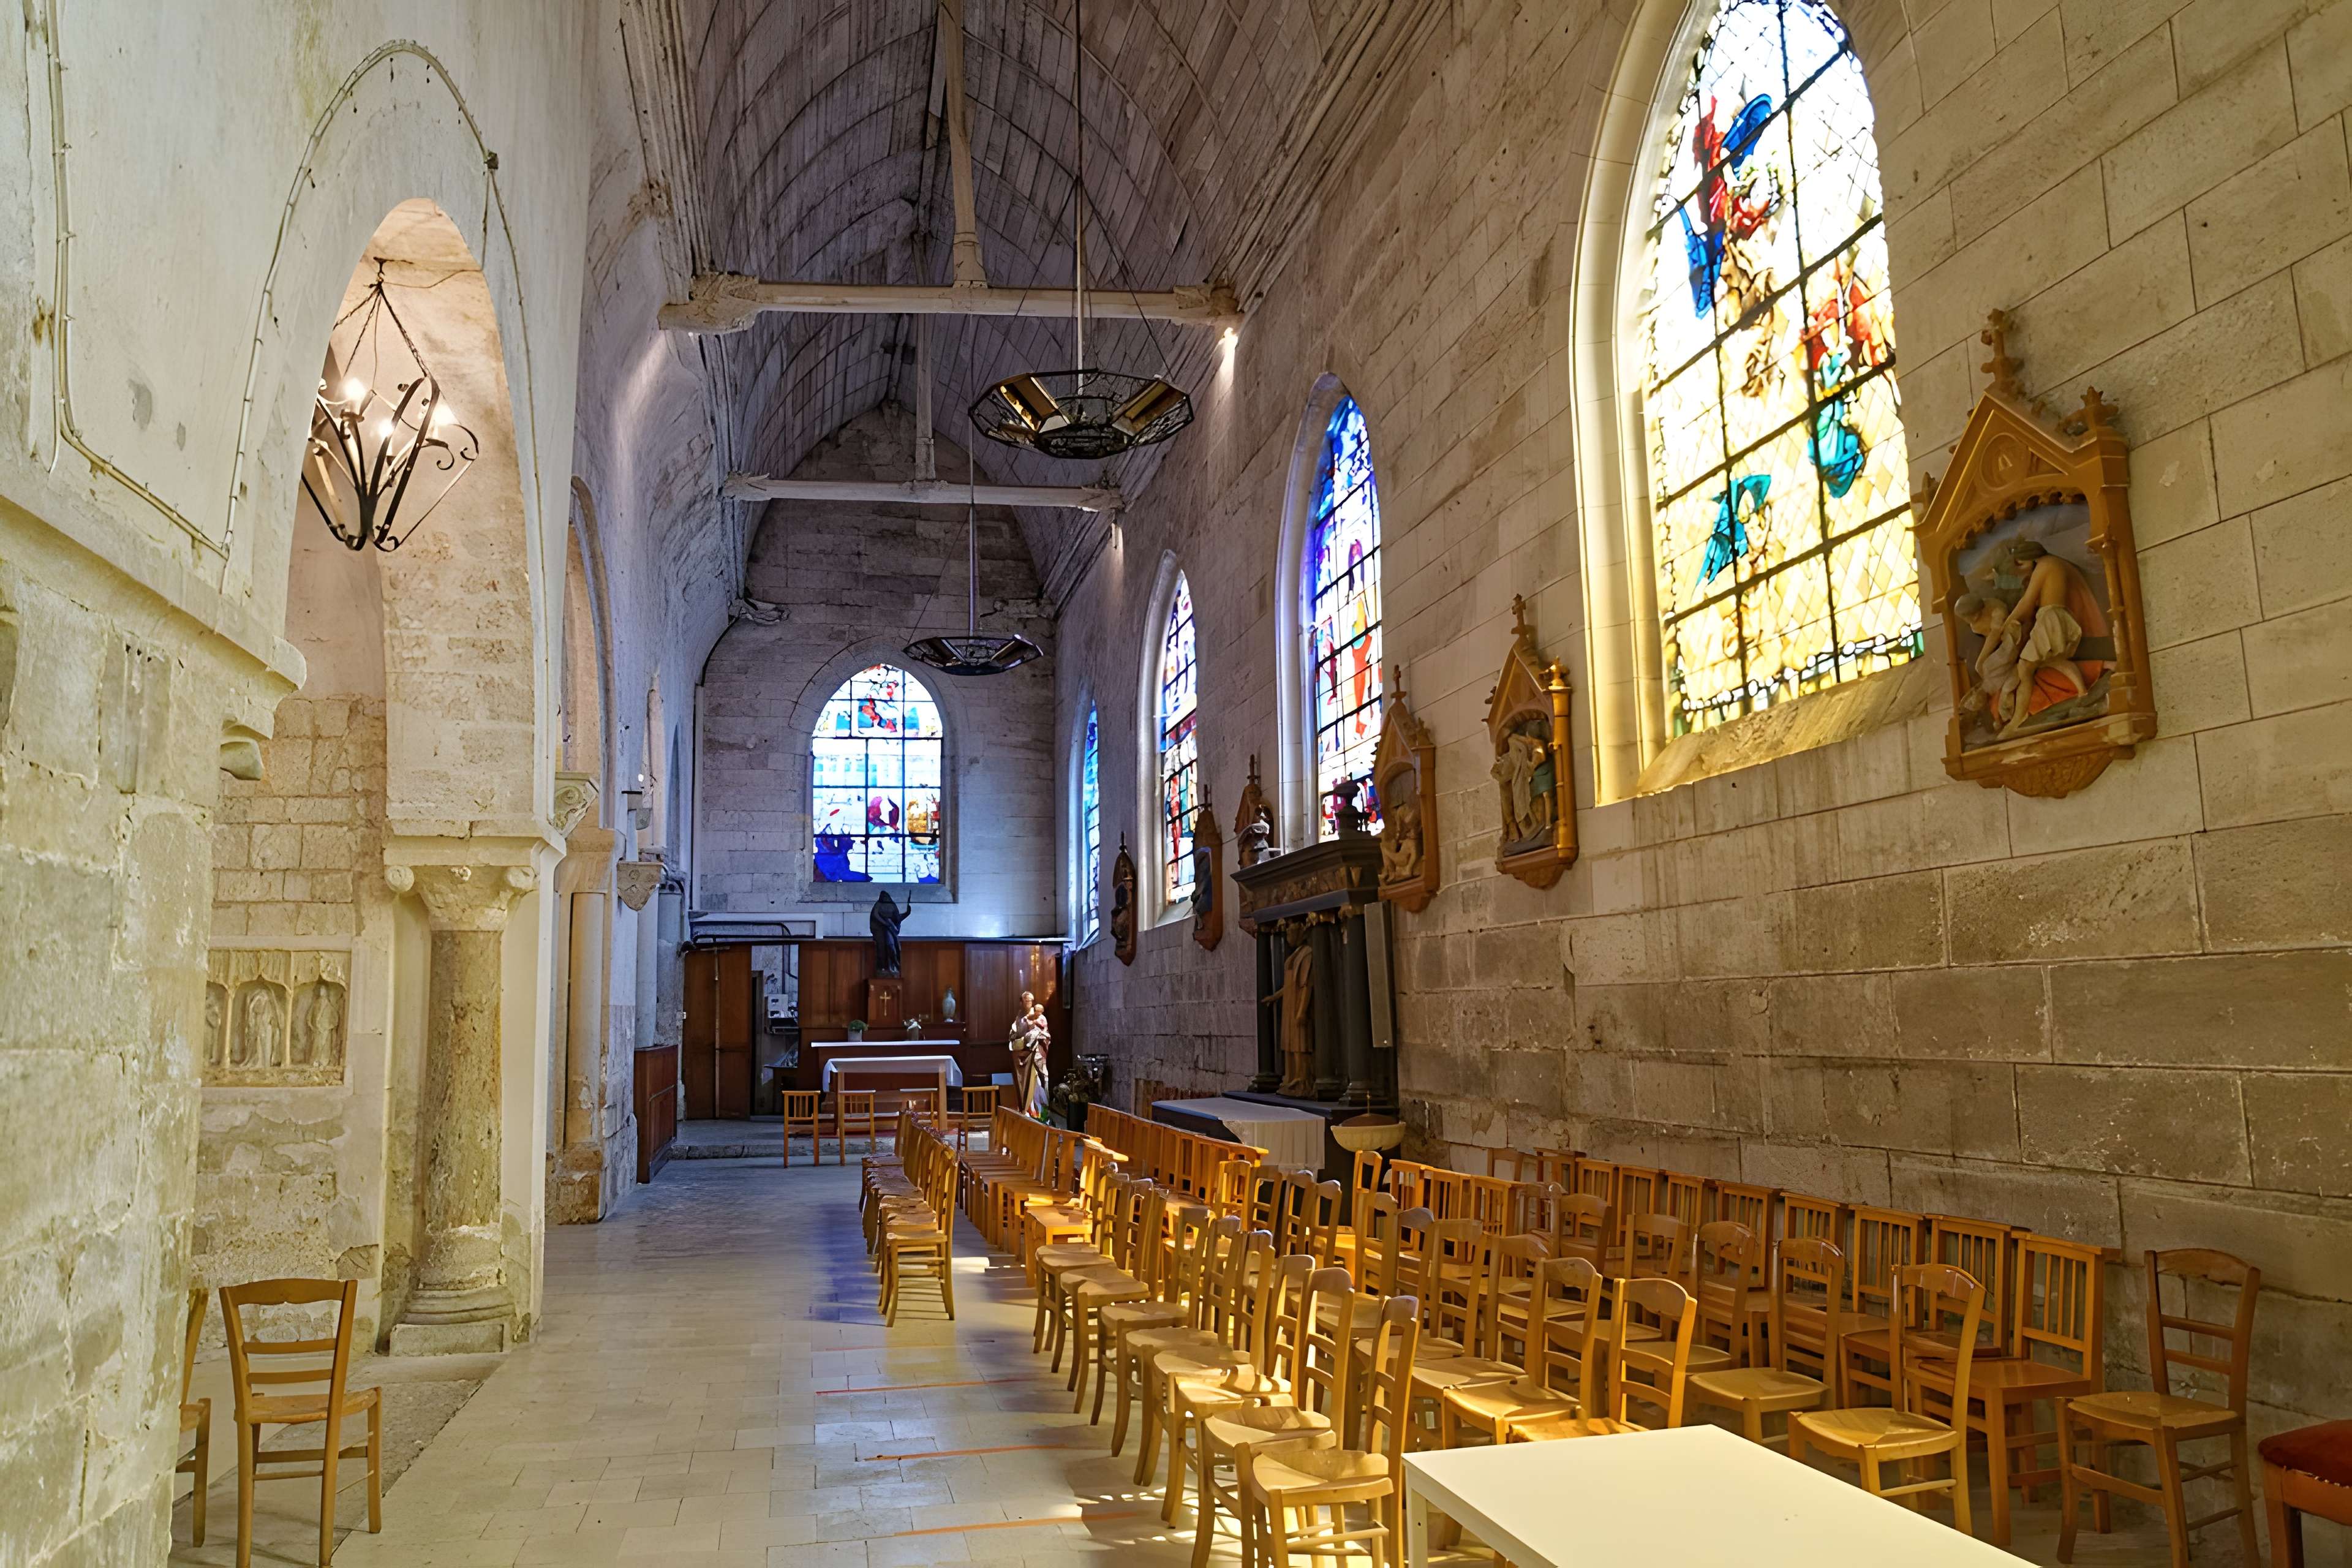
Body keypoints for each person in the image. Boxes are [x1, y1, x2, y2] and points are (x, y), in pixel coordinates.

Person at [1009, 991, 1050, 1118]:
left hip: (1036, 1056)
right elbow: (1015, 1034)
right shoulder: (1019, 1018)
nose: (1027, 1003)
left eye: (1029, 1001)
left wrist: (1036, 1037)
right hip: (1023, 1056)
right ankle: (1026, 1110)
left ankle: (1040, 1113)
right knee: (1025, 1085)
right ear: (1021, 1002)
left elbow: (1045, 1035)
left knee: (1039, 1083)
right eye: (1025, 1001)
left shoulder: (1040, 1017)